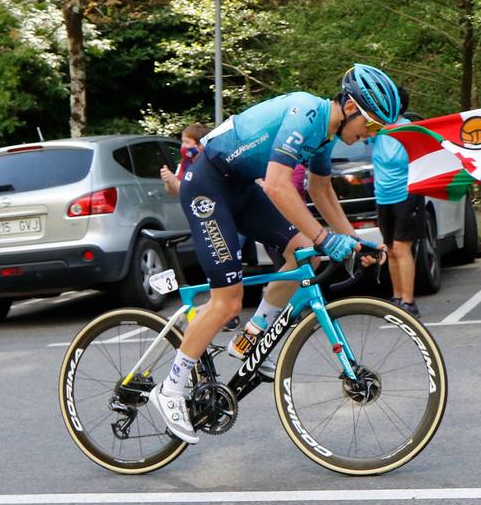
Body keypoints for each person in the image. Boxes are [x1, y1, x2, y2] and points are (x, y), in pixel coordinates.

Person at [149, 64, 402, 444]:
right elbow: (279, 186)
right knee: (228, 302)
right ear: (350, 106)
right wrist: (322, 236)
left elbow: (321, 191)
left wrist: (354, 239)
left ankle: (251, 340)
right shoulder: (306, 112)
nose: (371, 133)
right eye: (372, 123)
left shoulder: (327, 134)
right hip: (208, 185)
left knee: (305, 255)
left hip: (239, 188)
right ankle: (170, 388)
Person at [372, 86, 424, 318]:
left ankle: (409, 302)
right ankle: (396, 298)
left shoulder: (408, 129)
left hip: (406, 193)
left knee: (402, 248)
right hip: (383, 195)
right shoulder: (377, 130)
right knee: (390, 249)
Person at [160, 122, 208, 198]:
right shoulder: (185, 163)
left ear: (200, 145)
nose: (183, 146)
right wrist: (168, 181)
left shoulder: (209, 164)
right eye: (183, 142)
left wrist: (173, 180)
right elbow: (174, 192)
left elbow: (193, 192)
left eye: (187, 142)